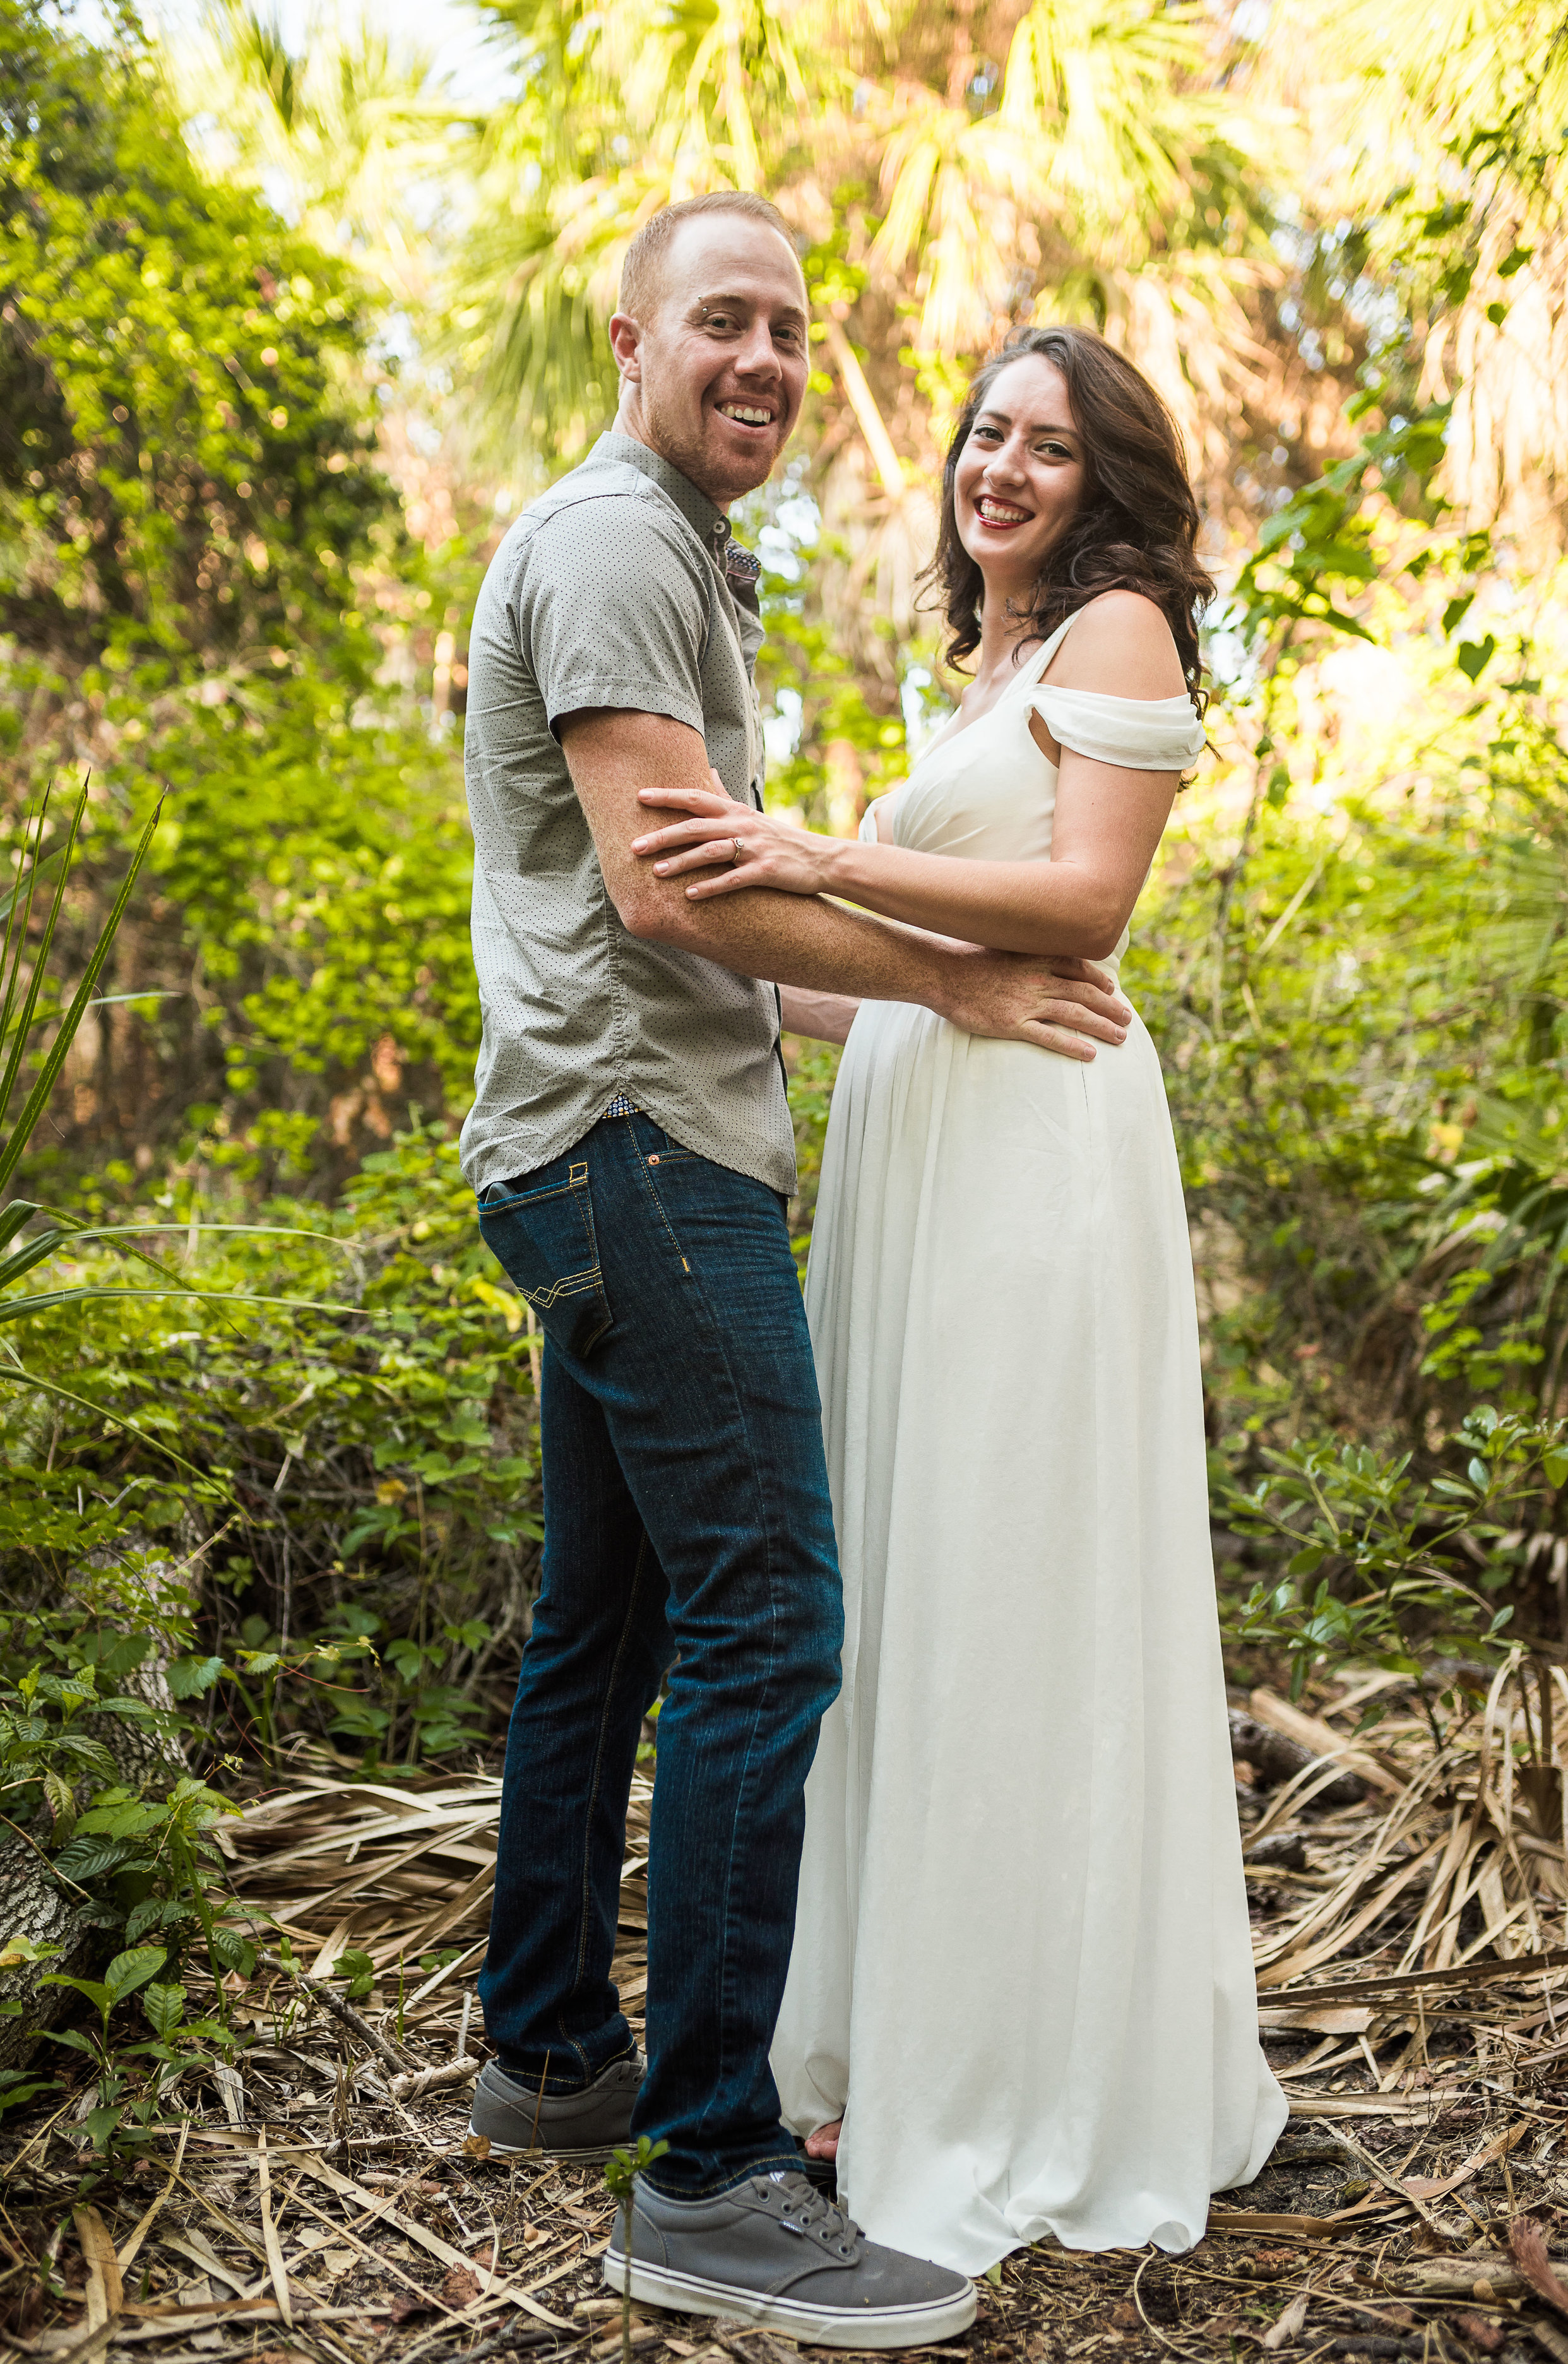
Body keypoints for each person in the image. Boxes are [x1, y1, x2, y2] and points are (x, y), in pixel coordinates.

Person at [458, 200, 1136, 2341]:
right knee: (774, 1628)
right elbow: (680, 900)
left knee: (609, 1617)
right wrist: (959, 978)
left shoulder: (675, 552)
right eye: (723, 323)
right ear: (632, 330)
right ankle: (717, 2170)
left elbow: (725, 936)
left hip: (602, 1142)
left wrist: (918, 1004)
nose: (760, 358)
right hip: (643, 1162)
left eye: (788, 328)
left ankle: (551, 2046)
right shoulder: (611, 549)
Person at [628, 323, 1290, 2269]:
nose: (998, 466)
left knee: (1009, 1570)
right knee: (909, 1570)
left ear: (1108, 485)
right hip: (926, 1138)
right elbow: (907, 965)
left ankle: (1033, 2062)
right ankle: (898, 2034)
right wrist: (731, 959)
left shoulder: (1118, 639)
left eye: (1049, 446)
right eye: (985, 432)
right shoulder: (986, 668)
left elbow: (1084, 905)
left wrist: (810, 847)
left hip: (1036, 1157)